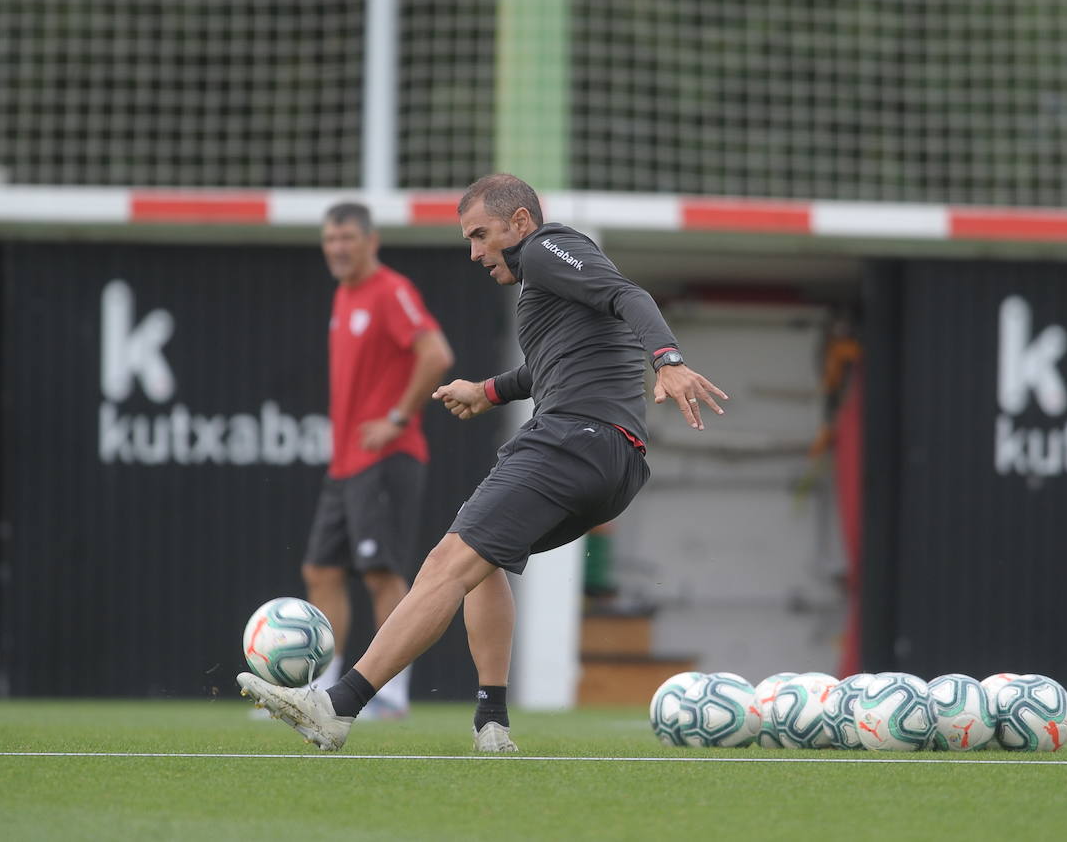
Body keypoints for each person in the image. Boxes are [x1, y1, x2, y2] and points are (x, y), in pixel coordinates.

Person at [239, 174, 727, 752]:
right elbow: (548, 367)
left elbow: (632, 297)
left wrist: (668, 359)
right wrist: (488, 391)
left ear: (520, 222)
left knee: (449, 560)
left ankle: (336, 707)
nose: (474, 252)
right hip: (616, 462)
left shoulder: (546, 249)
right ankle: (491, 722)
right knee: (482, 562)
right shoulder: (554, 286)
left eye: (480, 235)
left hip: (572, 438)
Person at [300, 201, 455, 719]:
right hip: (345, 463)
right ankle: (317, 690)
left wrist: (396, 416)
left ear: (371, 242)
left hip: (386, 456)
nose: (337, 248)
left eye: (346, 238)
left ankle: (389, 695)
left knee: (381, 574)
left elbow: (435, 353)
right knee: (321, 570)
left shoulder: (390, 290)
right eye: (330, 239)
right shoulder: (344, 295)